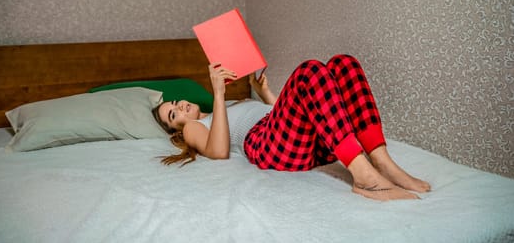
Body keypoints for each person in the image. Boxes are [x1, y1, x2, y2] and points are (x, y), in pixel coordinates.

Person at [152, 55, 431, 201]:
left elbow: (289, 119)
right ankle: (364, 178)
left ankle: (382, 161)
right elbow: (218, 151)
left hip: (302, 143)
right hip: (265, 146)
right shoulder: (196, 127)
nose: (180, 107)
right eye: (173, 114)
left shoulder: (230, 105)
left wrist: (266, 95)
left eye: (176, 102)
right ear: (176, 129)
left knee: (343, 64)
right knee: (309, 71)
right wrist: (219, 93)